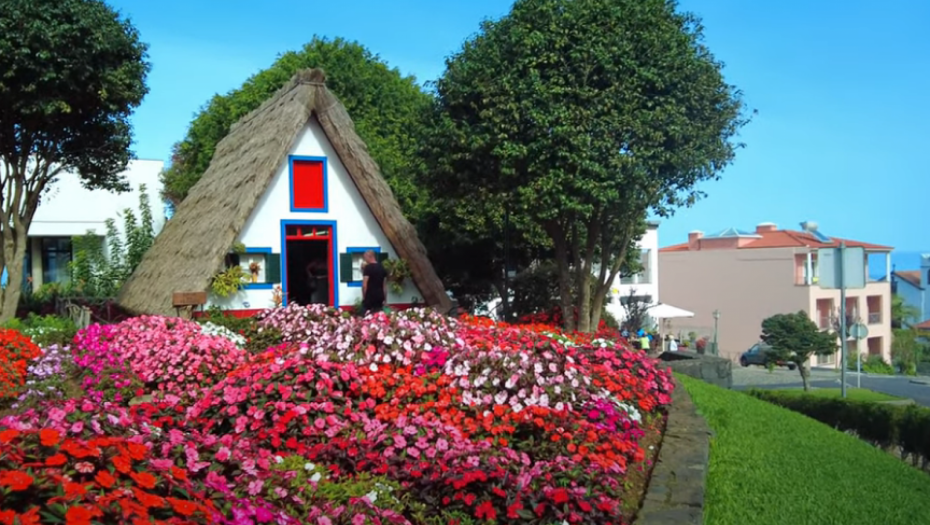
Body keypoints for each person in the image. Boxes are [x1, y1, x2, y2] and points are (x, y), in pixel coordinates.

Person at [361, 250, 387, 316]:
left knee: (366, 316)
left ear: (370, 257)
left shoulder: (368, 268)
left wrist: (364, 297)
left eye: (365, 258)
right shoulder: (382, 268)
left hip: (370, 297)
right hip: (379, 296)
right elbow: (384, 286)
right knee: (378, 316)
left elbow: (364, 285)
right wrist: (385, 299)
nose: (365, 260)